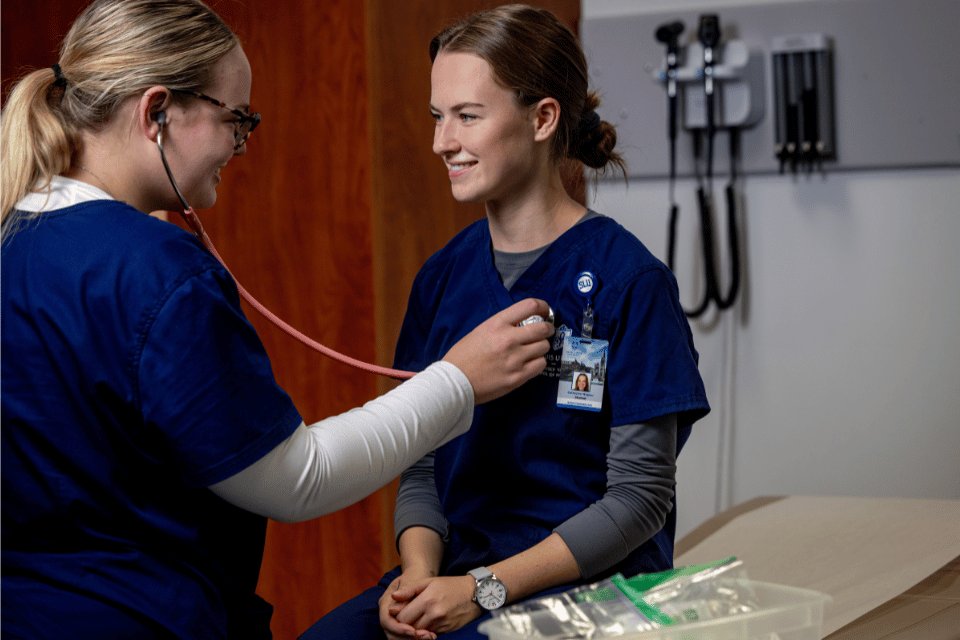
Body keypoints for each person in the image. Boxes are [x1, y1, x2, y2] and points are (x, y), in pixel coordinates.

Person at [0, 1, 555, 638]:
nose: (240, 145)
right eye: (235, 120)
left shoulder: (17, 240)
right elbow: (297, 478)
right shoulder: (156, 272)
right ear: (156, 113)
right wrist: (457, 380)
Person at [300, 5, 710, 640]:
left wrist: (482, 589)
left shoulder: (629, 282)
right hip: (455, 570)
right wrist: (416, 576)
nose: (442, 142)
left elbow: (637, 502)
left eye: (467, 116)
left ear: (542, 119)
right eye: (438, 117)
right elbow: (421, 464)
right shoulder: (442, 279)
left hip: (588, 589)